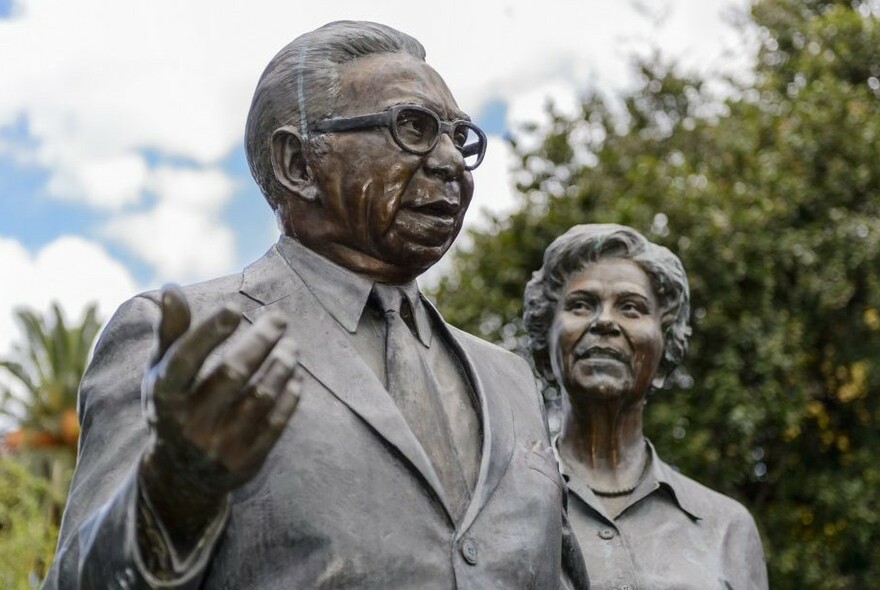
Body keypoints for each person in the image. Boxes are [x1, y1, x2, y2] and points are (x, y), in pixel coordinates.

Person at [43, 21, 587, 589]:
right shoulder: (178, 339)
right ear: (297, 165)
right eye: (414, 128)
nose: (451, 160)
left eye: (462, 137)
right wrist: (171, 497)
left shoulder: (510, 380)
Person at [523, 224, 767, 590]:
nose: (604, 321)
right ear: (547, 339)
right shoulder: (504, 504)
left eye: (631, 308)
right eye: (580, 304)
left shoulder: (726, 527)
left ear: (666, 346)